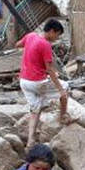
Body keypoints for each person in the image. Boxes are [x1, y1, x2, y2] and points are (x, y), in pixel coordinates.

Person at [18, 19, 68, 148]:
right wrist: (60, 89)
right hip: (37, 82)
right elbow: (49, 69)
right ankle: (63, 117)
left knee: (35, 110)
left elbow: (17, 44)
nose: (57, 38)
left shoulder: (31, 35)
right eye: (57, 35)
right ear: (51, 31)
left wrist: (30, 52)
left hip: (24, 81)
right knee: (65, 87)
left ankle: (30, 141)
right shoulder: (45, 44)